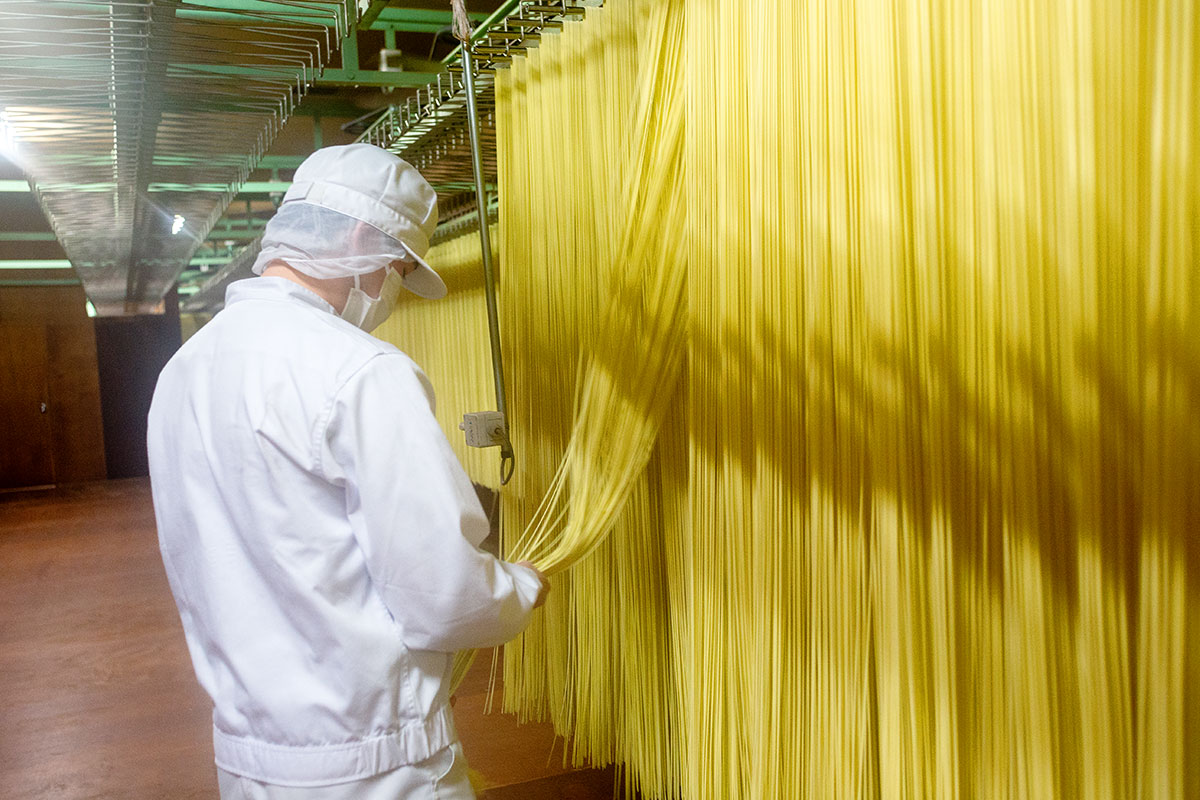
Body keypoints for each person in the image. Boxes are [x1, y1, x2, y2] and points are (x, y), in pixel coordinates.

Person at [146, 143, 548, 799]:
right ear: (362, 235)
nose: (390, 288)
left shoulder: (184, 372)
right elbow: (444, 600)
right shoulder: (361, 371)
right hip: (376, 767)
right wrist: (521, 588)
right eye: (395, 266)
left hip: (250, 764)